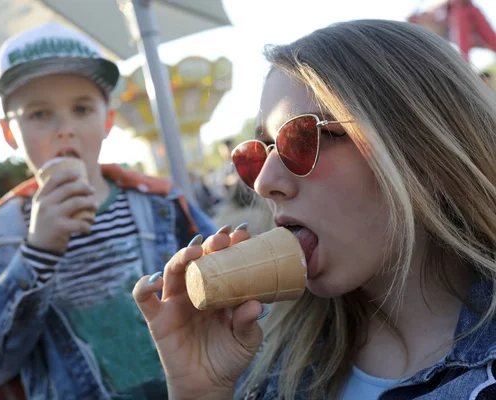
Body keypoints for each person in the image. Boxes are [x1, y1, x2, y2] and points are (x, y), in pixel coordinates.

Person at [133, 19, 496, 400]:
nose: (262, 183)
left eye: (301, 139)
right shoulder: (263, 354)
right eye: (257, 154)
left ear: (420, 147)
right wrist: (200, 391)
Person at [0, 22, 217, 399]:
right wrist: (37, 253)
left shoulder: (160, 204)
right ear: (9, 133)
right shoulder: (2, 234)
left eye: (81, 108)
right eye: (39, 114)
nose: (65, 128)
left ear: (107, 121)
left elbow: (230, 295)